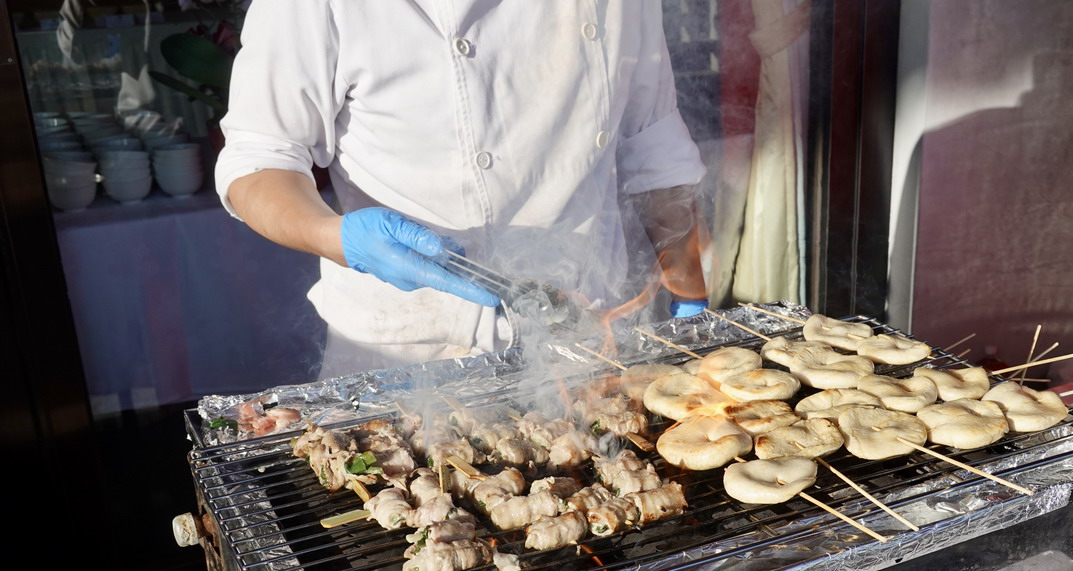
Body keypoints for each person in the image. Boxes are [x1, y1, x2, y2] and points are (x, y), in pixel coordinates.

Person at [214, 1, 711, 379]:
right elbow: (261, 157)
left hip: (588, 329)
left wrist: (690, 305)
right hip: (411, 349)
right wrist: (332, 234)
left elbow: (652, 140)